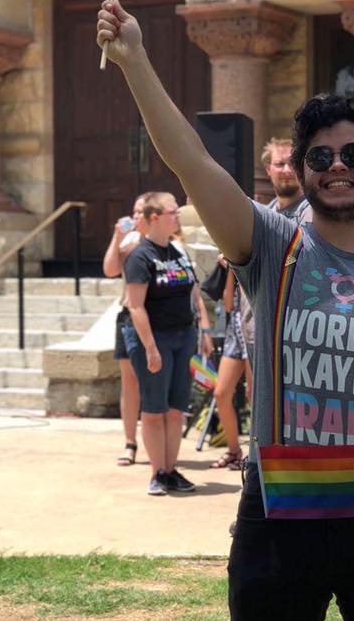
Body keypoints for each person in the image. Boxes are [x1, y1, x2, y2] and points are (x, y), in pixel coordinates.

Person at [97, 0, 354, 619]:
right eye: (320, 157)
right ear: (301, 172)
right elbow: (192, 163)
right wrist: (136, 59)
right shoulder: (274, 249)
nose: (337, 168)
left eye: (353, 155)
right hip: (284, 499)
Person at [210, 138, 308, 470]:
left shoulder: (310, 211)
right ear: (268, 170)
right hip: (251, 322)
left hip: (289, 325)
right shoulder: (263, 214)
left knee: (279, 398)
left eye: (292, 162)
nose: (286, 170)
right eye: (279, 164)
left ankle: (269, 461)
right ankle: (253, 458)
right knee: (247, 394)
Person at [124, 190, 213, 496]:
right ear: (153, 219)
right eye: (172, 212)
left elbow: (193, 292)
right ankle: (156, 472)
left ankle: (172, 470)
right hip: (155, 339)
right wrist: (149, 348)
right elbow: (135, 306)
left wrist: (203, 330)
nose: (177, 216)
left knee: (175, 409)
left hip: (183, 337)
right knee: (154, 409)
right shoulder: (140, 255)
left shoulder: (178, 251)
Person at [102, 194, 149, 467]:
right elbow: (109, 269)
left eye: (142, 212)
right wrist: (117, 238)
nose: (136, 217)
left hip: (158, 317)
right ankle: (130, 442)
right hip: (128, 315)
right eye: (134, 211)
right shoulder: (128, 240)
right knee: (129, 381)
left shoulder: (163, 240)